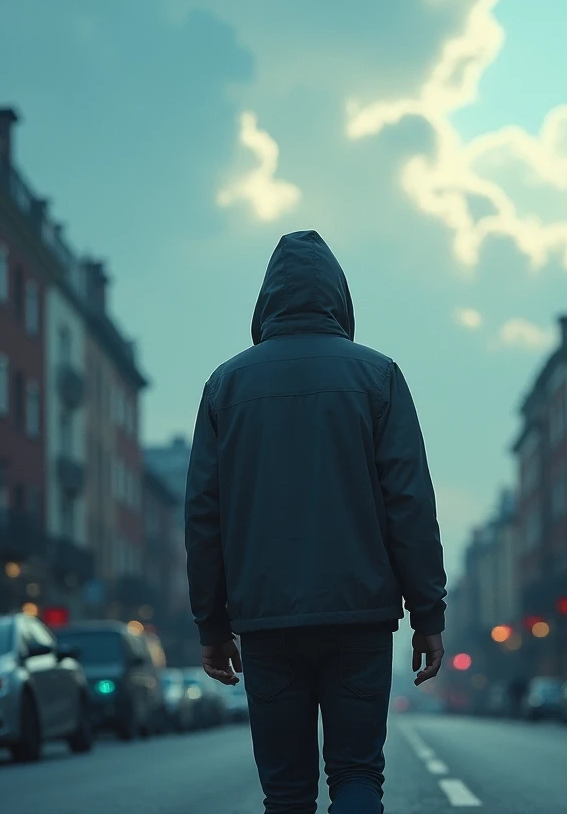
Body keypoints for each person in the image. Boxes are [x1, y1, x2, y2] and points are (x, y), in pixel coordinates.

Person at [185, 230, 447, 814]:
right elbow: (409, 501)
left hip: (266, 618)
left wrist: (212, 623)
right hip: (360, 614)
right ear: (340, 299)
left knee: (285, 792)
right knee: (357, 775)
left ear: (265, 301)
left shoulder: (226, 386)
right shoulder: (378, 377)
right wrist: (428, 611)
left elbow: (204, 514)